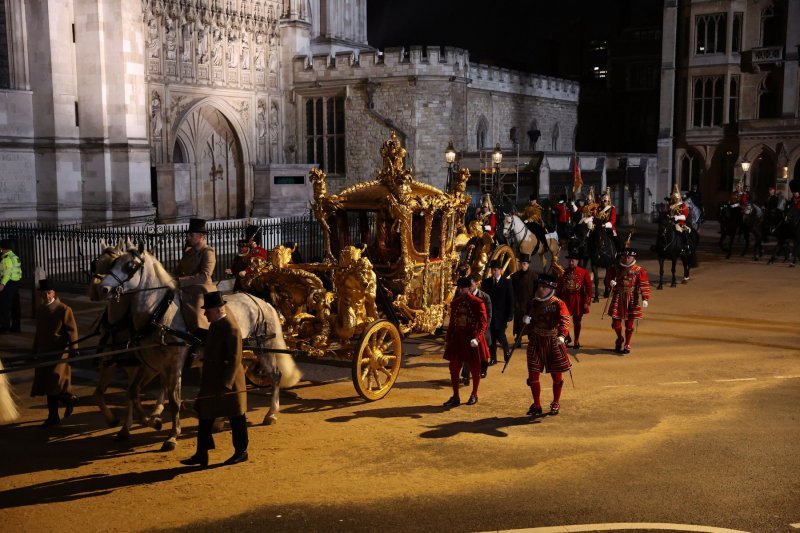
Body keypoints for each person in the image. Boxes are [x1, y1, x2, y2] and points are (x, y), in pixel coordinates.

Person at [181, 291, 248, 467]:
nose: (204, 314)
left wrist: (226, 384)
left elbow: (235, 358)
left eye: (207, 311)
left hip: (229, 382)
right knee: (205, 415)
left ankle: (241, 452)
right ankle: (201, 453)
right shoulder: (216, 325)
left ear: (218, 310)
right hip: (212, 380)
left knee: (237, 417)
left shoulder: (230, 328)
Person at [521, 273, 572, 417]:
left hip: (553, 341)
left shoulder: (558, 303)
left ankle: (556, 401)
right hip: (536, 341)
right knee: (532, 375)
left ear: (551, 288)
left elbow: (564, 319)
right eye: (539, 286)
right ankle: (536, 404)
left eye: (543, 287)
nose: (540, 289)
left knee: (556, 376)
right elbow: (529, 317)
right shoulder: (533, 302)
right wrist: (526, 321)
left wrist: (562, 335)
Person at [30, 279, 78, 427]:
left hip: (59, 352)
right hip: (44, 351)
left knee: (54, 383)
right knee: (48, 385)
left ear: (54, 293)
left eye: (49, 293)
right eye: (43, 294)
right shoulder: (41, 310)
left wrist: (74, 348)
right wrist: (35, 349)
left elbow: (72, 330)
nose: (47, 296)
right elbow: (39, 332)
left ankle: (68, 400)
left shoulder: (63, 309)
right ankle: (54, 416)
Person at [442, 277, 490, 407]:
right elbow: (452, 323)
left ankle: (474, 394)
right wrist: (448, 339)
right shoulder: (456, 303)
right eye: (459, 288)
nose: (460, 290)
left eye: (462, 288)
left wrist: (478, 338)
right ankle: (456, 396)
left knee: (475, 368)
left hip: (472, 338)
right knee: (454, 368)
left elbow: (483, 323)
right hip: (458, 338)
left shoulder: (478, 302)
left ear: (468, 288)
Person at [604, 248, 651, 354]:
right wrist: (610, 283)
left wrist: (645, 298)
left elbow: (644, 284)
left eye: (629, 257)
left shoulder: (639, 270)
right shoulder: (615, 268)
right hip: (618, 297)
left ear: (633, 257)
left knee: (629, 324)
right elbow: (607, 280)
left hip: (632, 299)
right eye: (625, 256)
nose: (626, 259)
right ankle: (620, 338)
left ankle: (627, 343)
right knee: (616, 323)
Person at [175, 218, 216, 336]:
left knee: (195, 312)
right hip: (184, 288)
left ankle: (201, 336)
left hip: (200, 290)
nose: (188, 237)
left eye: (191, 235)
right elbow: (178, 270)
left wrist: (180, 281)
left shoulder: (207, 252)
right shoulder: (189, 251)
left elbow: (204, 276)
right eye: (188, 234)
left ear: (201, 236)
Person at [480, 259, 514, 368]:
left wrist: (510, 314)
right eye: (492, 270)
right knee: (492, 337)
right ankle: (493, 358)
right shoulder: (486, 282)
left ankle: (506, 353)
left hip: (501, 315)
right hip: (490, 316)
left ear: (500, 270)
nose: (493, 272)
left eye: (495, 270)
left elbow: (510, 300)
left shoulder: (507, 282)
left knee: (501, 336)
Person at [556, 253, 593, 349]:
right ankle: (566, 337)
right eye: (569, 260)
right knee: (563, 320)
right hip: (566, 298)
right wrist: (557, 299)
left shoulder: (584, 272)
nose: (571, 262)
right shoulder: (563, 271)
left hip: (578, 299)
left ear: (577, 261)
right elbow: (559, 287)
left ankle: (577, 340)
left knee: (577, 321)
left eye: (573, 260)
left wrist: (586, 301)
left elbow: (589, 287)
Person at [461, 274, 492, 386]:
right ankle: (465, 375)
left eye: (471, 284)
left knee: (482, 355)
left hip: (481, 331)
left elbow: (489, 315)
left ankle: (483, 369)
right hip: (469, 330)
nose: (469, 287)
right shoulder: (465, 296)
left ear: (477, 283)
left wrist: (483, 331)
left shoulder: (485, 297)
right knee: (467, 353)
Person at [510, 253, 537, 338]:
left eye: (524, 263)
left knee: (530, 323)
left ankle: (531, 338)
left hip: (530, 304)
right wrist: (515, 303)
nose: (523, 265)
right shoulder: (514, 276)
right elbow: (512, 291)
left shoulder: (534, 276)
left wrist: (534, 302)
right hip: (519, 304)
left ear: (528, 264)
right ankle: (518, 339)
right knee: (519, 323)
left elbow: (536, 291)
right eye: (521, 263)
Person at [0, 239, 22, 333]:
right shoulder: (15, 256)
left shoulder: (6, 258)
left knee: (5, 306)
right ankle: (16, 327)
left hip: (8, 284)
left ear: (2, 248)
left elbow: (7, 272)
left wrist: (2, 284)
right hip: (15, 284)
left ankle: (4, 328)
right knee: (15, 307)